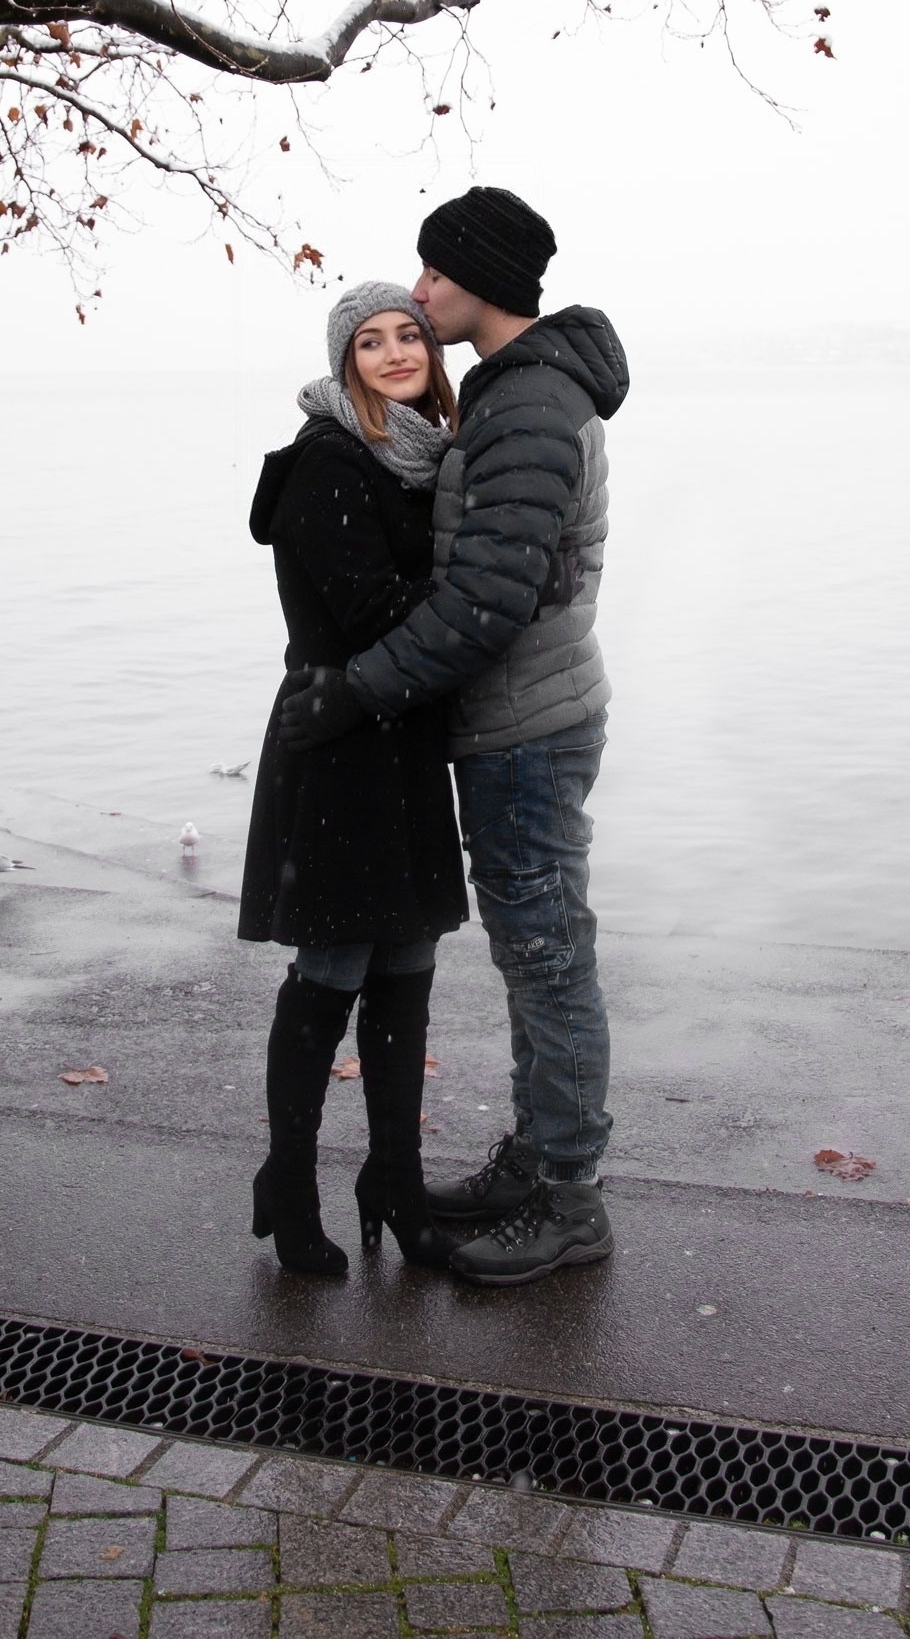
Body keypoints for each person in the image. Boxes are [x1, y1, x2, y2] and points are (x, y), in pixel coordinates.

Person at [279, 188, 629, 1287]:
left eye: (433, 273)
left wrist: (356, 690)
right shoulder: (511, 389)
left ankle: (568, 1196)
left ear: (480, 277)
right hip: (518, 718)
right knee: (535, 957)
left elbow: (488, 598)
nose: (421, 292)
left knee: (548, 960)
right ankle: (536, 1162)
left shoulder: (527, 406)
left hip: (527, 727)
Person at [239, 280, 468, 1277]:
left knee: (407, 973)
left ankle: (395, 1181)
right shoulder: (329, 461)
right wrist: (477, 590)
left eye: (408, 334)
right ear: (345, 364)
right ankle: (290, 1183)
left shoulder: (422, 459)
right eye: (369, 341)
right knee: (331, 971)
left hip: (401, 740)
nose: (394, 352)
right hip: (336, 745)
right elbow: (373, 611)